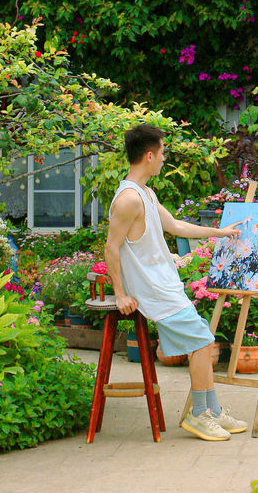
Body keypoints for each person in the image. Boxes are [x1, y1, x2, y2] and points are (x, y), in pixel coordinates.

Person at [104, 124, 246, 442]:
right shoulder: (128, 199)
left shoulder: (146, 194)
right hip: (152, 291)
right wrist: (121, 293)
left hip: (165, 286)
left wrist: (220, 232)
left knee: (203, 341)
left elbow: (176, 226)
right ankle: (199, 415)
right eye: (163, 153)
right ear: (150, 155)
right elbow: (111, 247)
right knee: (201, 343)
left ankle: (212, 409)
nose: (164, 159)